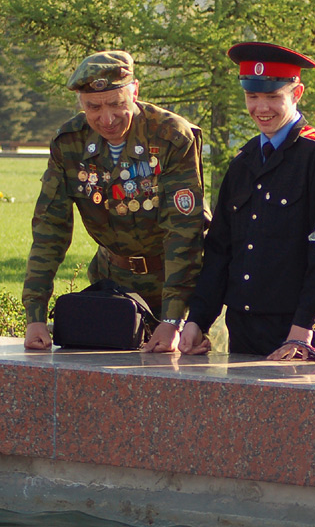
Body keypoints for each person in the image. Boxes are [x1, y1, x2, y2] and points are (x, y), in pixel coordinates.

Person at [23, 50, 208, 353]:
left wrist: (173, 319)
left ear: (134, 91)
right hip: (114, 283)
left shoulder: (171, 136)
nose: (106, 119)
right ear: (81, 104)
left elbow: (183, 232)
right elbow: (49, 231)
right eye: (93, 107)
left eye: (116, 104)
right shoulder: (70, 142)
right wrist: (35, 316)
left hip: (176, 281)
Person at [179, 42, 315, 359]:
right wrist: (197, 320)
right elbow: (220, 250)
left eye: (273, 97)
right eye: (252, 96)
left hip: (298, 332)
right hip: (243, 328)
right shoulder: (243, 161)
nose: (261, 107)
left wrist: (303, 328)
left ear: (297, 93)